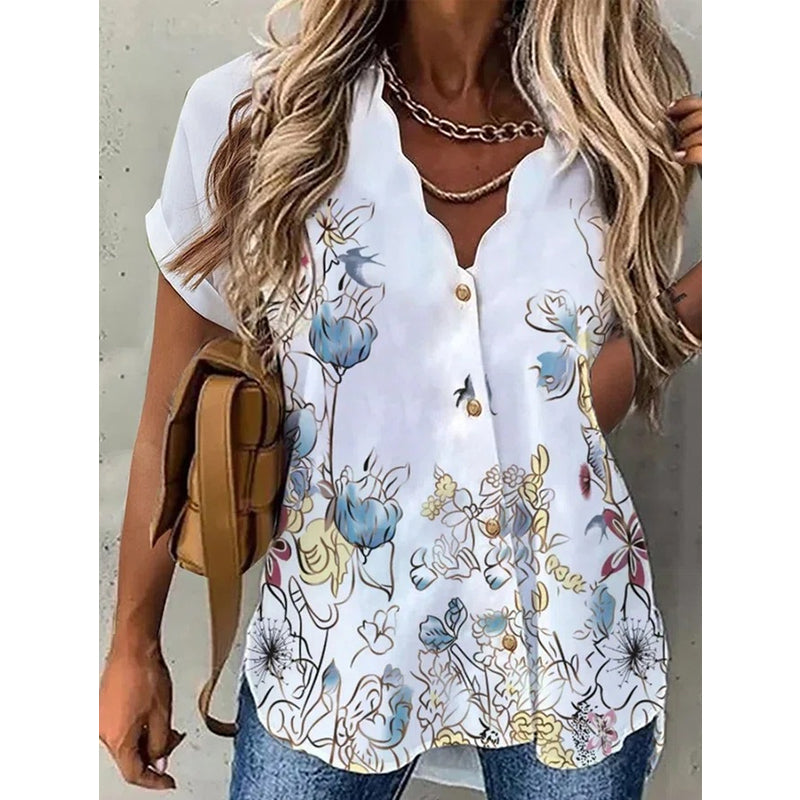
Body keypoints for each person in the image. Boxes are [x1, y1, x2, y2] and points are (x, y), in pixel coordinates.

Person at [99, 1, 702, 798]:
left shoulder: (610, 126)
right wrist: (134, 641)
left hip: (573, 653)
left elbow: (570, 417)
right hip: (330, 659)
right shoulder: (253, 117)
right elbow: (165, 422)